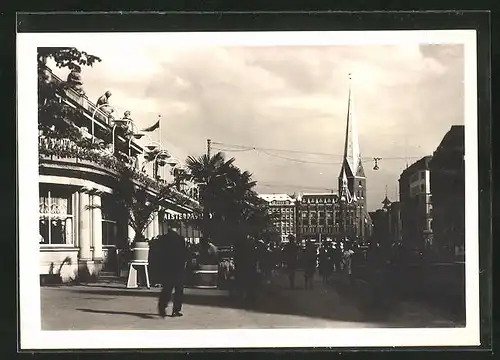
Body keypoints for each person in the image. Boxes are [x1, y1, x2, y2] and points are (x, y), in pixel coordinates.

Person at [156, 227, 189, 318]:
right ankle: (176, 310)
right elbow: (185, 253)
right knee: (179, 290)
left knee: (167, 288)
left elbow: (159, 254)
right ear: (176, 229)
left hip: (167, 267)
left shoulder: (162, 239)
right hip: (178, 267)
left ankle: (162, 306)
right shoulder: (181, 239)